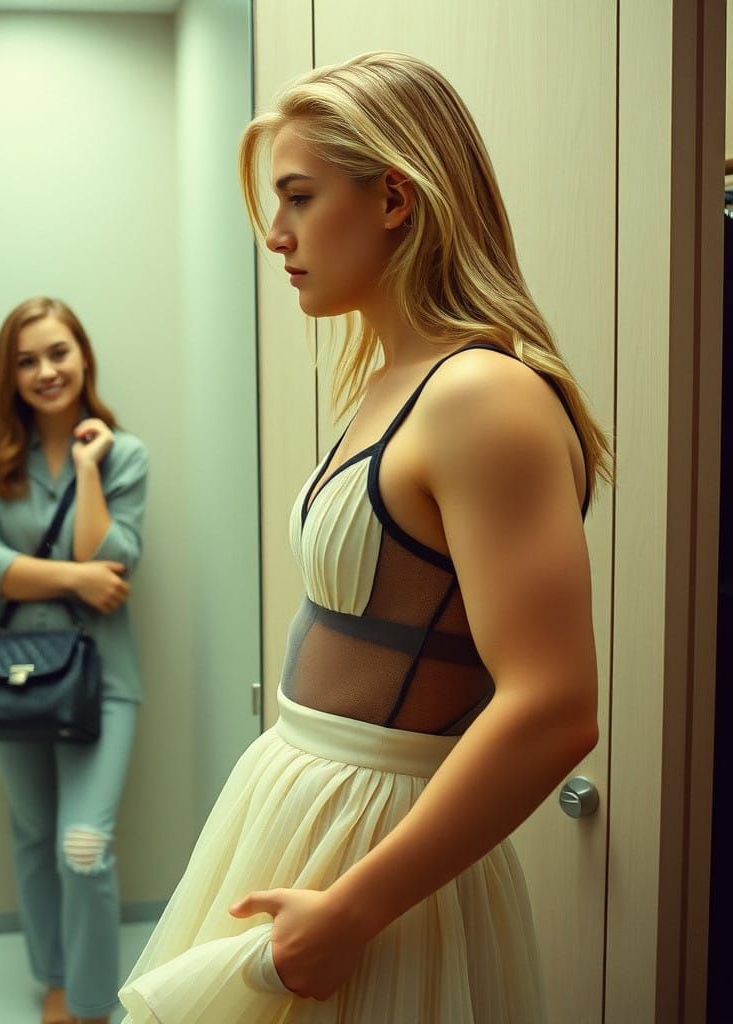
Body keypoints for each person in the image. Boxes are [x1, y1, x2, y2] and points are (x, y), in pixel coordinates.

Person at [119, 51, 606, 1023]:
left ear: (393, 197)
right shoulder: (390, 380)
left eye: (298, 197)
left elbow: (553, 706)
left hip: (373, 854)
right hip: (308, 811)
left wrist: (351, 908)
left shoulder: (480, 396)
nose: (274, 234)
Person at [0, 297, 149, 1024]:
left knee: (83, 845)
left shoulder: (125, 453)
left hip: (105, 681)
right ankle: (55, 978)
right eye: (27, 360)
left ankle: (94, 1002)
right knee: (35, 836)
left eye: (58, 353)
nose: (46, 371)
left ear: (84, 355)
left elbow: (111, 558)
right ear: (10, 374)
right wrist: (73, 580)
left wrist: (89, 469)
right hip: (9, 680)